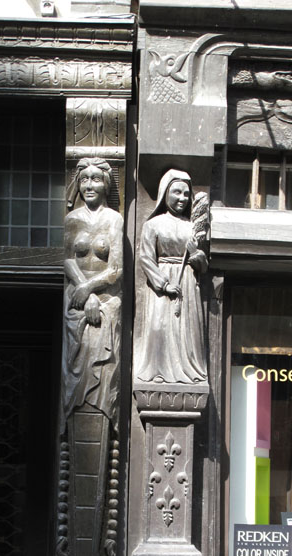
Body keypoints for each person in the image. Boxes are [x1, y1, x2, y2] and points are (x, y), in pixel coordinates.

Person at [62, 158, 123, 425]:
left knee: (104, 373)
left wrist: (90, 290)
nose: (89, 185)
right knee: (73, 369)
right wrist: (82, 289)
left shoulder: (114, 220)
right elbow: (66, 258)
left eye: (96, 179)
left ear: (106, 185)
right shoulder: (72, 219)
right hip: (75, 297)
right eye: (84, 179)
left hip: (106, 298)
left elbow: (116, 269)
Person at [135, 169, 208, 384]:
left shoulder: (192, 228)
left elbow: (203, 264)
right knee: (160, 327)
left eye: (186, 194)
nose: (182, 199)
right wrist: (164, 284)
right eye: (177, 192)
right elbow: (146, 258)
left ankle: (187, 371)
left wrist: (196, 255)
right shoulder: (153, 225)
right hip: (163, 284)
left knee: (185, 332)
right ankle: (158, 372)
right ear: (165, 192)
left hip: (186, 282)